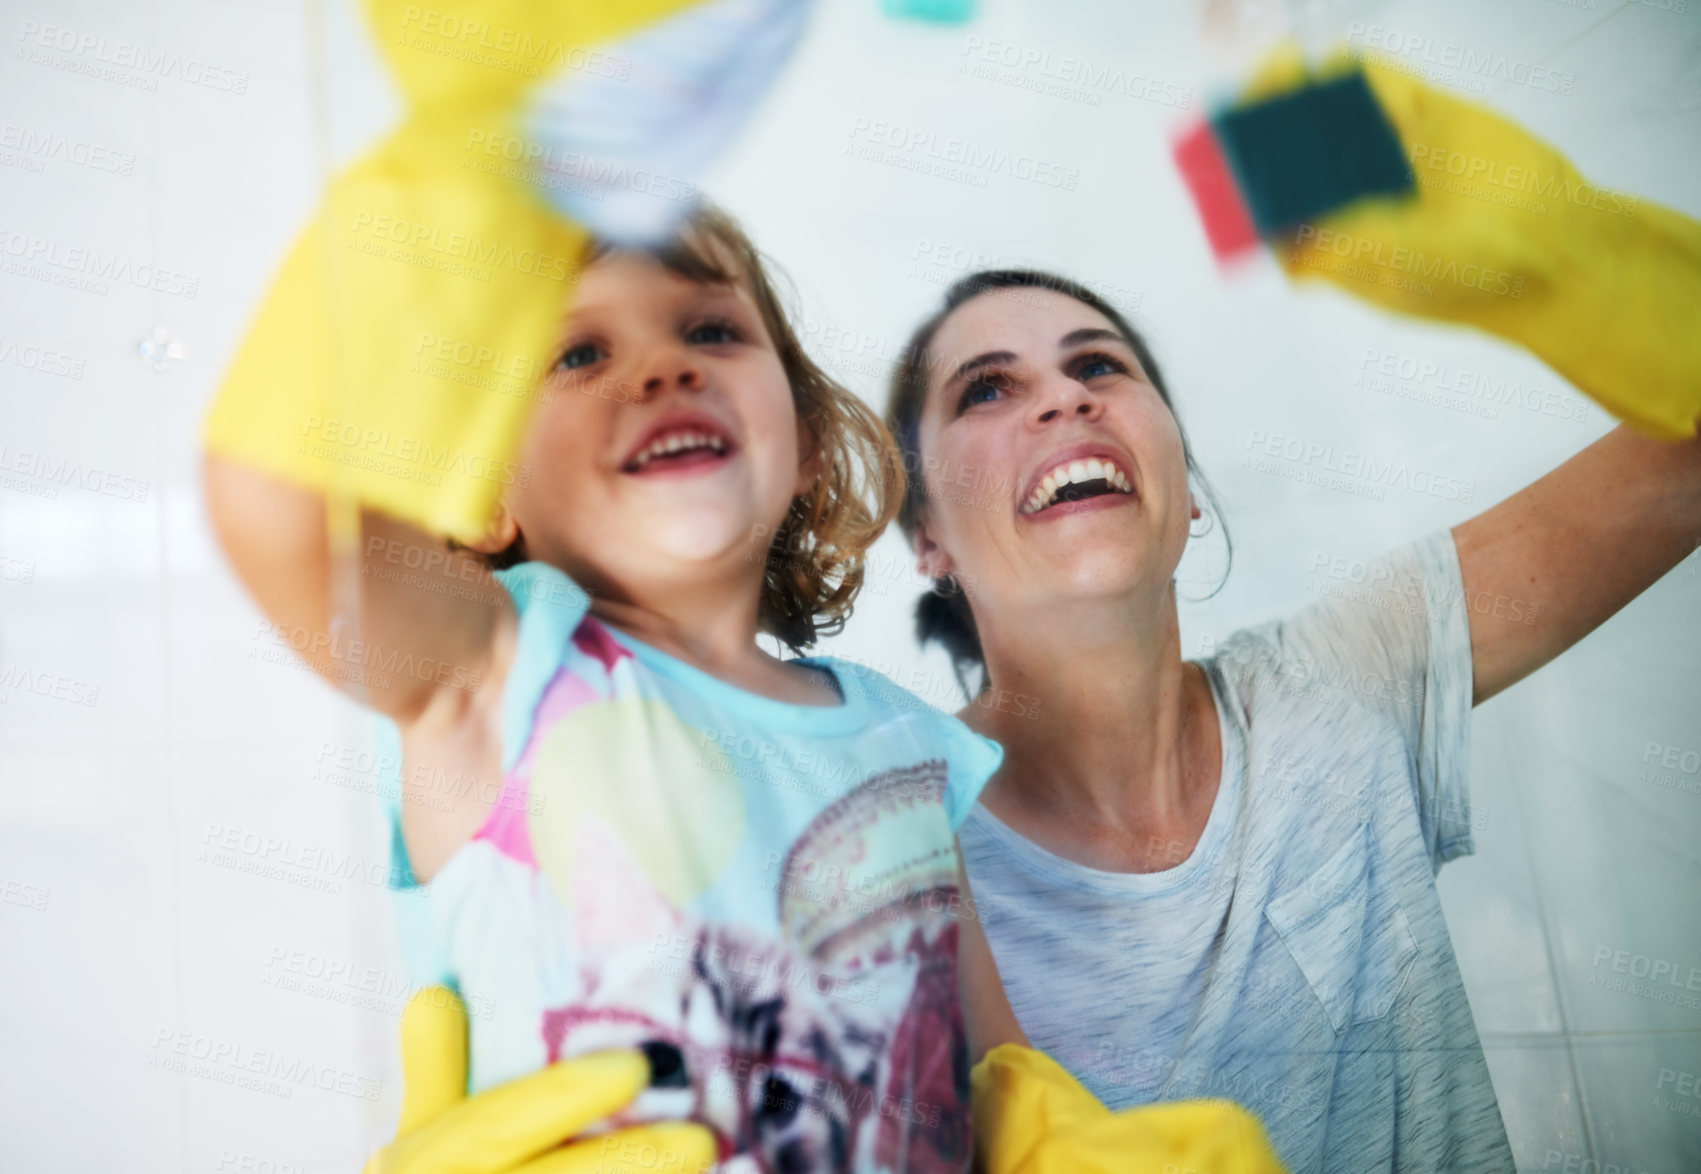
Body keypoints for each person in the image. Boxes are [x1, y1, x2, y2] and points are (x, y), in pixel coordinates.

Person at [205, 205, 1016, 1172]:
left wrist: (1070, 1137)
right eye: (578, 354)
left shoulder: (905, 740)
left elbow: (998, 1075)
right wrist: (438, 186)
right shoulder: (498, 667)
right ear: (479, 486)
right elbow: (280, 507)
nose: (663, 370)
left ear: (802, 439)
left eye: (711, 330)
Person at [880, 260, 1701, 1172]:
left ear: (1186, 488)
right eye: (987, 388)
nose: (1065, 399)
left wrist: (1547, 266)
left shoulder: (1342, 677)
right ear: (928, 537)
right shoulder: (891, 854)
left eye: (1100, 366)